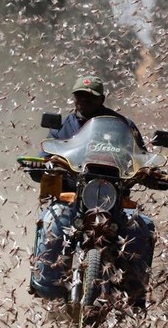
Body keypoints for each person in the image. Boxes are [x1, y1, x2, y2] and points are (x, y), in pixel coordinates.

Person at [28, 75, 155, 307]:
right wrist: (41, 163)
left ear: (102, 99)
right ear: (74, 98)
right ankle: (46, 284)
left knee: (142, 228)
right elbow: (46, 154)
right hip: (72, 198)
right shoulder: (63, 127)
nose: (83, 101)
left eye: (89, 97)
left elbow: (140, 157)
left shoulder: (123, 126)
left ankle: (136, 294)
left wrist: (150, 171)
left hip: (113, 199)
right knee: (52, 222)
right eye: (79, 96)